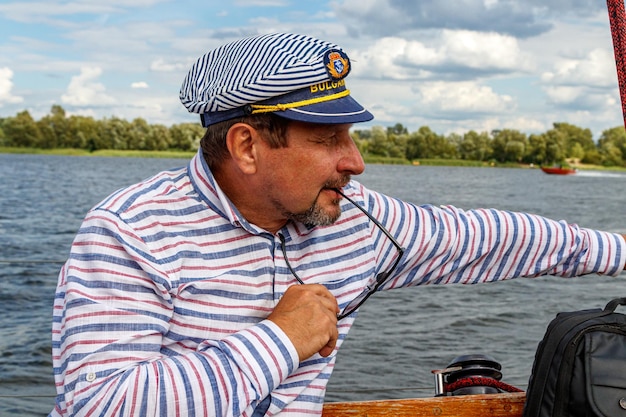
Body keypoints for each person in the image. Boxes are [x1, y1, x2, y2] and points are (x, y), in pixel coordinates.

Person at [50, 32, 626, 417]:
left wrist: (621, 249)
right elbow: (101, 405)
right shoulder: (131, 233)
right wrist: (281, 339)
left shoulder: (356, 220)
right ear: (246, 145)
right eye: (328, 139)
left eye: (349, 136)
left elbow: (492, 238)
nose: (354, 162)